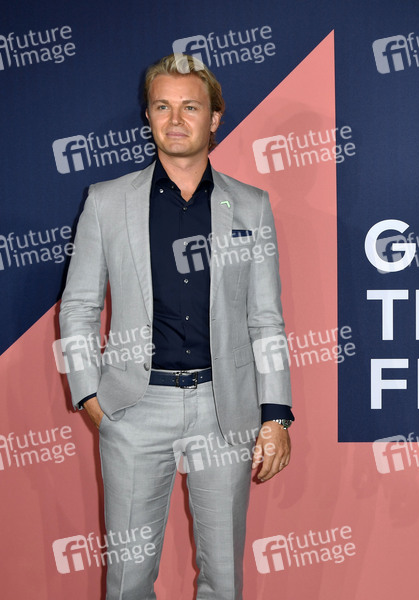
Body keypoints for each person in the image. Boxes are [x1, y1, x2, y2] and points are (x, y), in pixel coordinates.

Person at [58, 53, 294, 599]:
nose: (176, 119)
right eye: (162, 106)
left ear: (214, 117)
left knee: (223, 578)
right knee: (128, 581)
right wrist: (88, 394)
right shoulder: (106, 201)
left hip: (224, 409)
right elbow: (77, 307)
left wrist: (276, 414)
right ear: (148, 116)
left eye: (190, 106)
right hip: (134, 409)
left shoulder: (251, 207)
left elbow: (266, 319)